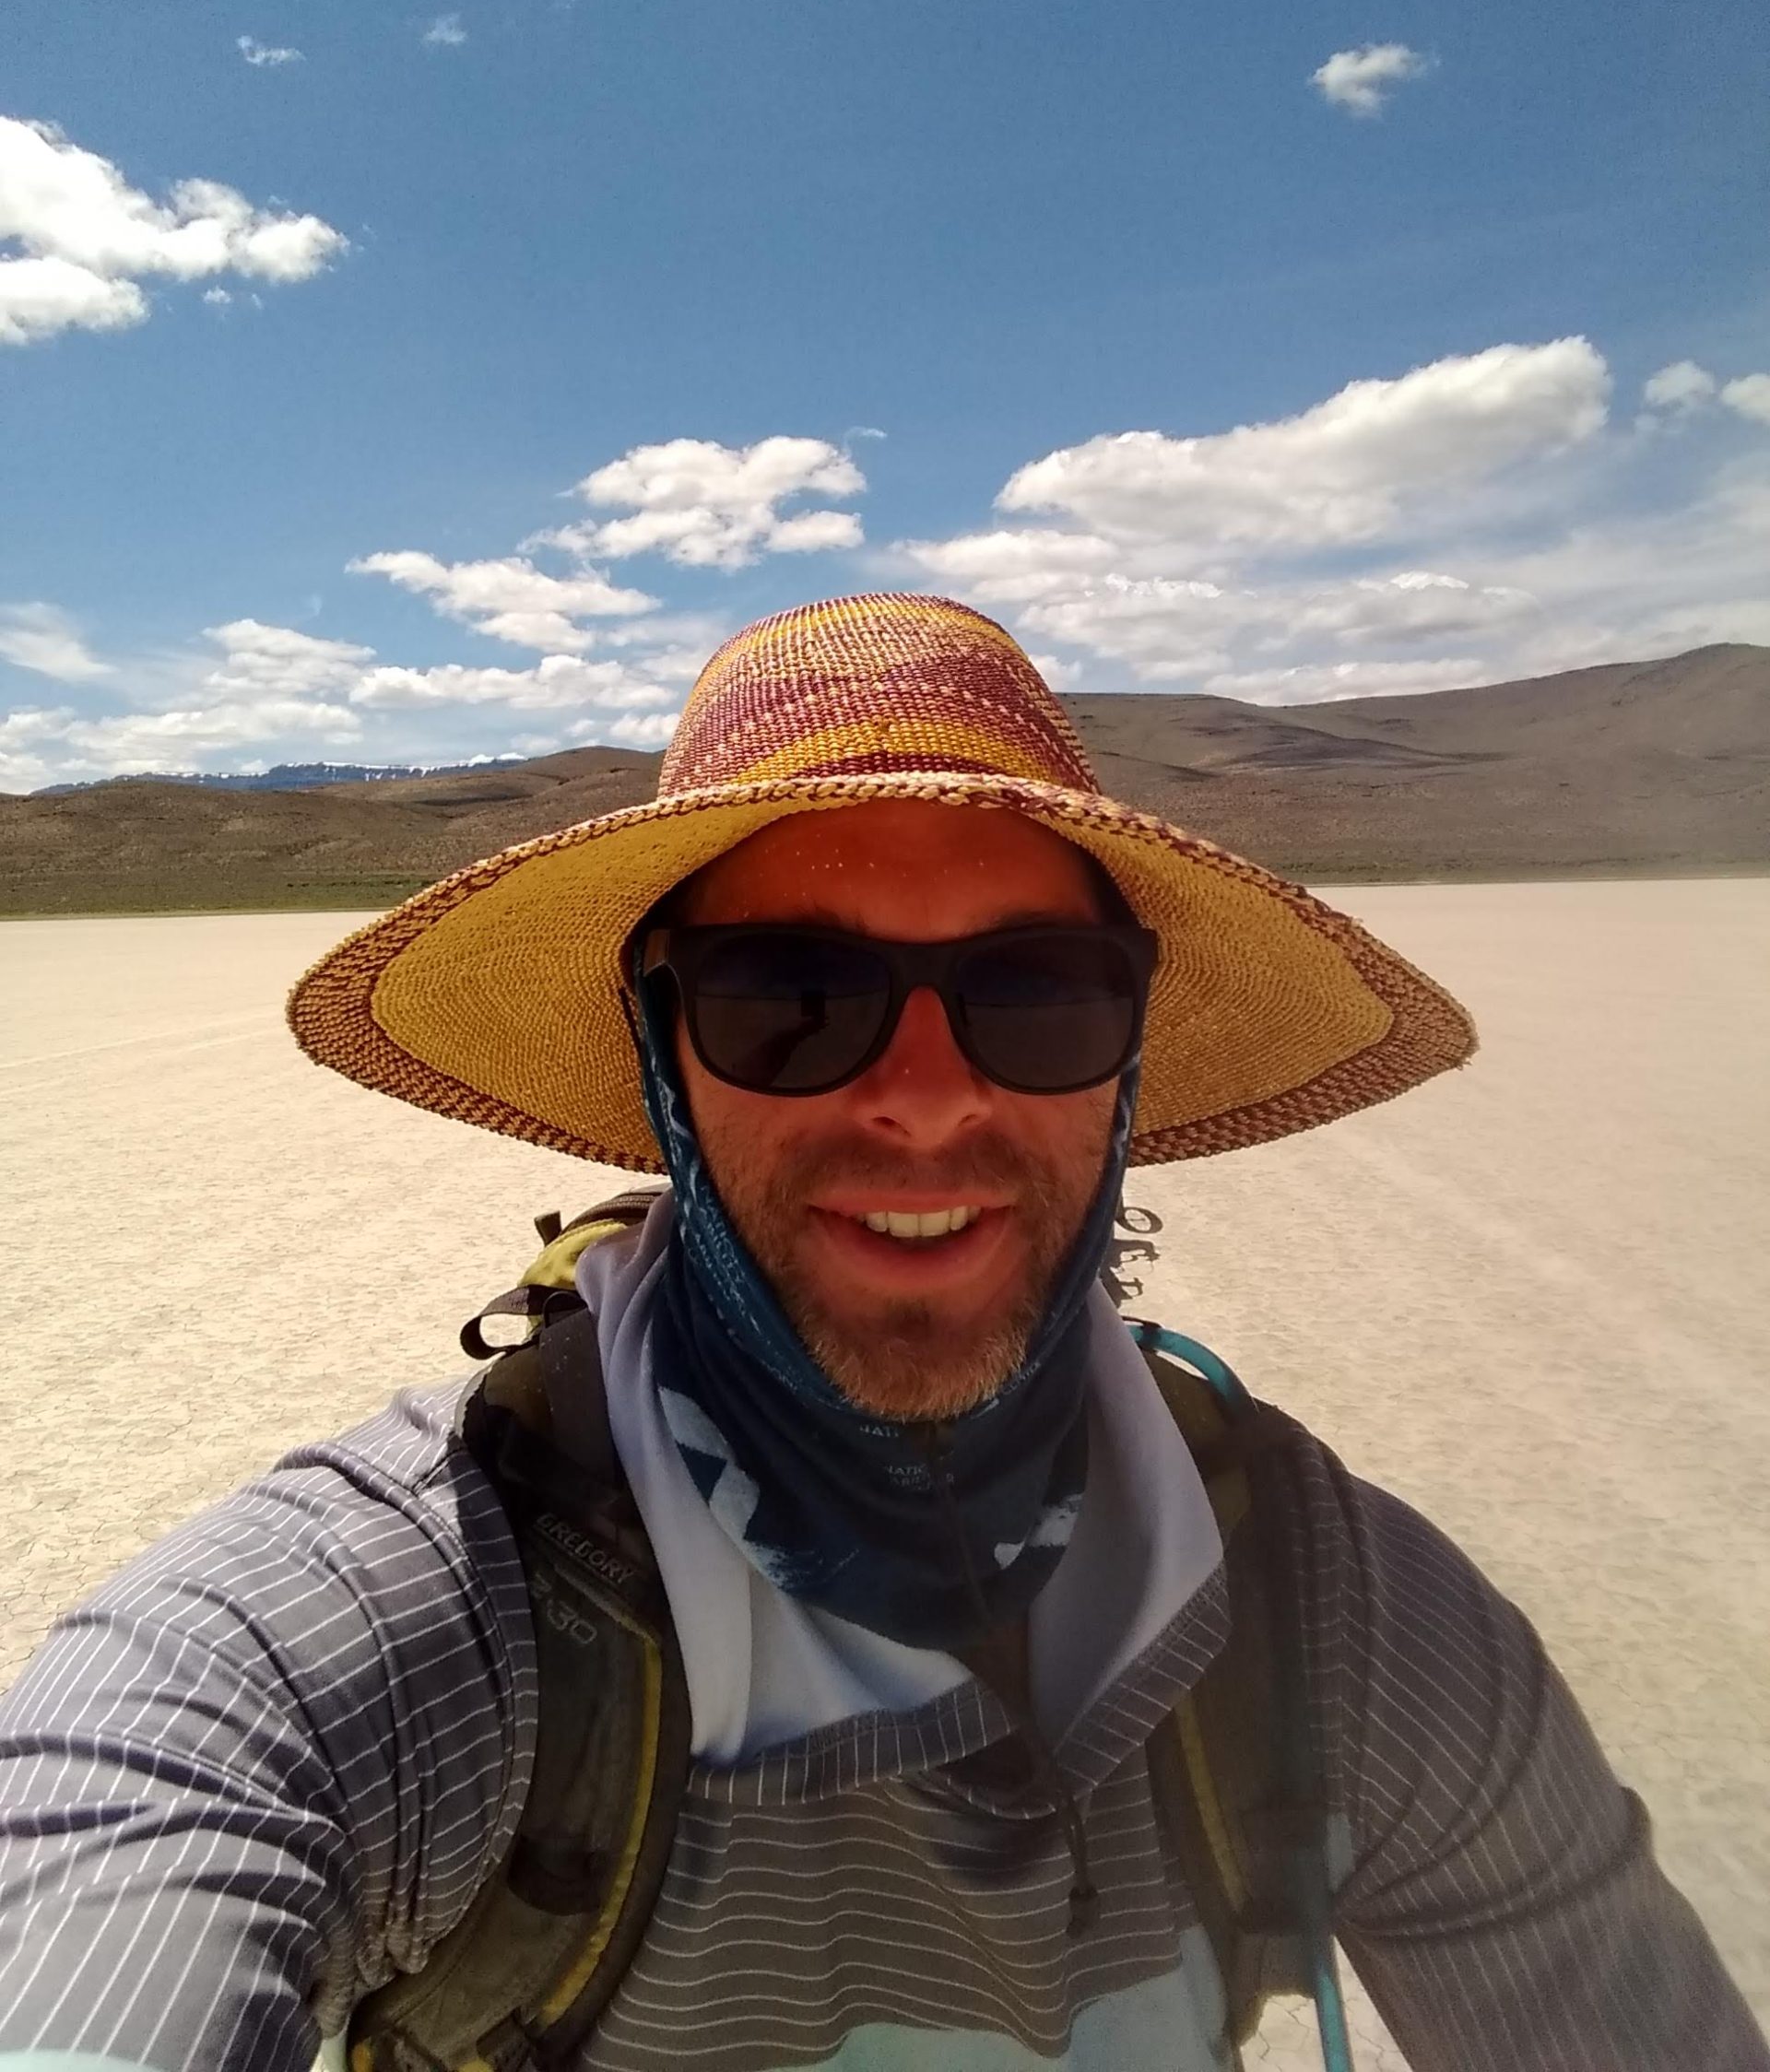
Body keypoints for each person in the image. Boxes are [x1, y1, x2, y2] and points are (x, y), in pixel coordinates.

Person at [0, 592, 1761, 2072]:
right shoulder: (341, 1654)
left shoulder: (1337, 1621)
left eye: (1037, 994)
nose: (926, 1101)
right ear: (660, 1061)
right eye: (791, 997)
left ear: (1130, 1060)